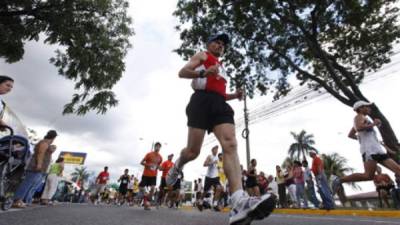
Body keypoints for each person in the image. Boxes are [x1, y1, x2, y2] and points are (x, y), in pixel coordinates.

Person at [166, 33, 274, 225]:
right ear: (208, 44)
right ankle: (177, 166)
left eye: (223, 44)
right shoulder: (202, 55)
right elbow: (182, 73)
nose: (220, 45)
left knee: (230, 144)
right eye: (217, 42)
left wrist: (235, 95)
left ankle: (238, 202)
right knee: (192, 152)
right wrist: (202, 73)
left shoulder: (222, 67)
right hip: (200, 102)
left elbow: (220, 93)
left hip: (219, 104)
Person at [332, 101, 400, 198]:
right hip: (369, 151)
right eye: (367, 107)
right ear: (360, 108)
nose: (369, 108)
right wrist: (374, 124)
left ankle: (339, 180)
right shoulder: (358, 117)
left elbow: (350, 135)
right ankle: (339, 180)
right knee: (368, 176)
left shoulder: (364, 119)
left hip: (377, 149)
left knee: (398, 170)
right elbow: (359, 127)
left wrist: (361, 139)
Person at [13, 130, 58, 208]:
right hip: (35, 167)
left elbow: (49, 151)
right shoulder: (44, 143)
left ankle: (20, 200)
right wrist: (39, 165)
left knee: (30, 184)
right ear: (53, 137)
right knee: (27, 183)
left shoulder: (46, 144)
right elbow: (40, 154)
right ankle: (17, 200)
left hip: (38, 168)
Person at [197, 146, 223, 211]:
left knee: (219, 188)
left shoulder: (218, 157)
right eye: (215, 149)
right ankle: (200, 202)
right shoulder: (209, 156)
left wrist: (220, 169)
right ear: (212, 150)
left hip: (215, 177)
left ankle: (215, 204)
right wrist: (211, 163)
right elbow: (204, 164)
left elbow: (217, 166)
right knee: (205, 191)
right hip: (209, 177)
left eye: (217, 149)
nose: (216, 150)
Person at [139, 142, 163, 210]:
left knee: (152, 189)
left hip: (153, 176)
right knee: (142, 188)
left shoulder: (160, 157)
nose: (157, 148)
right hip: (146, 174)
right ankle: (145, 199)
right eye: (156, 146)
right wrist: (148, 165)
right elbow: (141, 162)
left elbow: (158, 166)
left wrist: (160, 168)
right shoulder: (149, 154)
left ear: (160, 148)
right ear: (154, 147)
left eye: (159, 147)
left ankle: (147, 203)